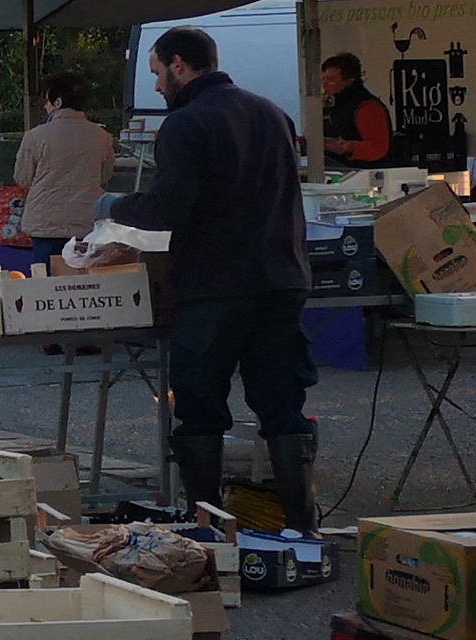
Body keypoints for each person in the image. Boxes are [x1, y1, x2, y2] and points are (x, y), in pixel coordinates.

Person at [95, 26, 319, 534]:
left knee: (199, 407)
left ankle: (207, 527)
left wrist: (113, 206)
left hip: (215, 284)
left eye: (156, 73)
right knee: (282, 404)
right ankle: (304, 529)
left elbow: (169, 208)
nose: (155, 87)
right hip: (283, 279)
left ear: (179, 64)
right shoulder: (272, 113)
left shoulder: (185, 124)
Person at [13, 72, 116, 266]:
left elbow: (23, 178)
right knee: (82, 282)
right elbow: (105, 175)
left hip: (45, 224)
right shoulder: (102, 137)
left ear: (57, 102)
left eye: (47, 101)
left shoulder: (35, 136)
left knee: (45, 284)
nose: (45, 106)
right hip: (86, 221)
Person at [321, 52, 392, 168]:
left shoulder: (367, 107)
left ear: (349, 79)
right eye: (323, 80)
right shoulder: (334, 105)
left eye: (330, 80)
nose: (324, 85)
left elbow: (378, 148)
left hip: (363, 175)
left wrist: (347, 147)